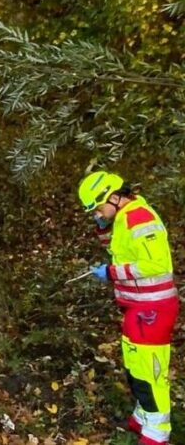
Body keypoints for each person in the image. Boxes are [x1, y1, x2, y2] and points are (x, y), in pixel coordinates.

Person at [78, 171, 178, 445]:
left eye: (99, 207)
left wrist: (111, 273)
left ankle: (158, 432)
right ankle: (144, 415)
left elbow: (156, 265)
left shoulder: (140, 217)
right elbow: (118, 250)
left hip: (153, 308)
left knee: (149, 372)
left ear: (113, 195)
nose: (98, 212)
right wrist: (101, 228)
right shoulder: (123, 217)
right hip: (137, 307)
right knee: (134, 366)